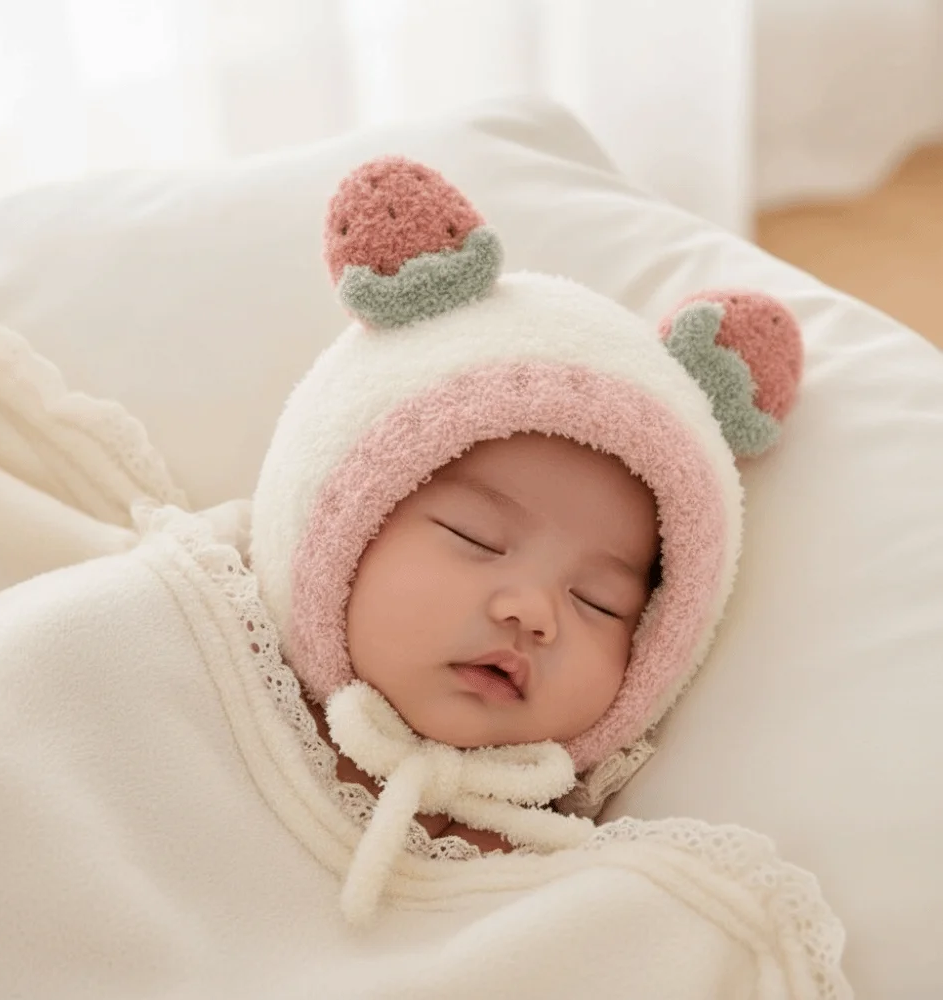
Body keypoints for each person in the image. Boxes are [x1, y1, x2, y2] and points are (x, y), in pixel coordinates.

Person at [248, 154, 805, 910]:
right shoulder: (197, 660)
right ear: (335, 532)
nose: (533, 613)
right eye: (475, 537)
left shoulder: (571, 876)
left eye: (601, 603)